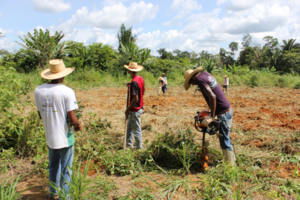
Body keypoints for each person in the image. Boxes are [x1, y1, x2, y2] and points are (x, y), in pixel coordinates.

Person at [34, 59, 81, 199]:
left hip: (50, 137)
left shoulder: (38, 90)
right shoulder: (67, 91)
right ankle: (65, 197)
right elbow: (72, 120)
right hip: (65, 138)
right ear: (62, 75)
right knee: (66, 169)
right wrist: (78, 126)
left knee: (53, 166)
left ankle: (52, 193)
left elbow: (40, 115)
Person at [184, 67, 235, 165]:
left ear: (192, 79)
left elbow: (212, 96)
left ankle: (230, 168)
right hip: (227, 109)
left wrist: (212, 116)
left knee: (224, 140)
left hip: (224, 112)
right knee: (226, 137)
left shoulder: (199, 80)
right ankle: (232, 160)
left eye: (191, 83)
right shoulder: (205, 74)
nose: (193, 85)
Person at [124, 62, 145, 149]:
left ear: (129, 70)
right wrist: (131, 86)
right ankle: (129, 145)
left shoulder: (134, 82)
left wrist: (128, 109)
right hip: (139, 107)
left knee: (136, 129)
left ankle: (139, 148)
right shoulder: (140, 78)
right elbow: (142, 91)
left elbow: (135, 99)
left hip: (135, 109)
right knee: (129, 128)